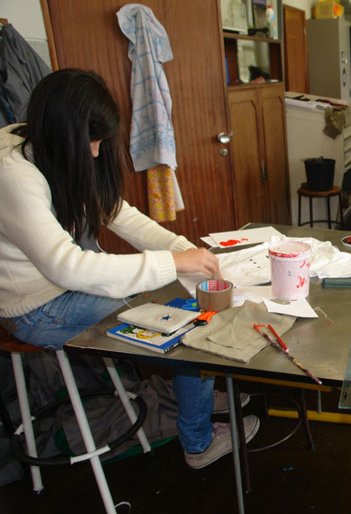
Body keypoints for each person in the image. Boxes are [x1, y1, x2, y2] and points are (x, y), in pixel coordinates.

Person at [0, 69, 261, 470]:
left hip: (64, 288)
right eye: (91, 141)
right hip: (36, 308)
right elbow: (68, 268)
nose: (95, 153)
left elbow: (119, 213)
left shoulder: (49, 145)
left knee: (183, 309)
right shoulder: (15, 175)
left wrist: (184, 250)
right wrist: (174, 263)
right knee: (186, 327)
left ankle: (198, 391)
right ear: (65, 134)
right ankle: (198, 441)